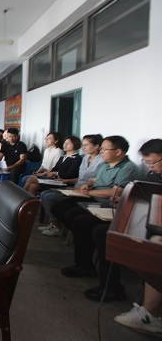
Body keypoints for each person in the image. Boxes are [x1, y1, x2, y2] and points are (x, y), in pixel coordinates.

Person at [53, 136, 141, 302]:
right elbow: (94, 179)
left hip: (108, 206)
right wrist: (87, 185)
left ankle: (89, 263)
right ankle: (84, 261)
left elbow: (115, 192)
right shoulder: (105, 164)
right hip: (93, 199)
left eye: (105, 149)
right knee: (63, 209)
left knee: (83, 222)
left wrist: (90, 191)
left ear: (118, 151)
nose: (101, 151)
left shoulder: (127, 168)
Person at [114, 139, 162, 335]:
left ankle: (150, 313)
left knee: (154, 249)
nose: (150, 166)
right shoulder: (153, 176)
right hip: (153, 225)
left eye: (154, 162)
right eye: (147, 162)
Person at [38, 134, 104, 236]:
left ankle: (57, 227)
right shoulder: (85, 158)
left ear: (96, 147)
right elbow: (80, 178)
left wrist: (73, 184)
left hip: (86, 192)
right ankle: (53, 223)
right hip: (75, 187)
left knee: (50, 197)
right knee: (44, 194)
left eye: (86, 145)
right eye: (83, 145)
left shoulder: (101, 161)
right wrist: (68, 181)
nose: (83, 147)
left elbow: (96, 181)